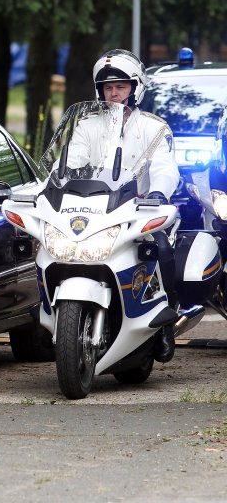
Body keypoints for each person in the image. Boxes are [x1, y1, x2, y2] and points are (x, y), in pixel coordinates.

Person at [89, 49, 180, 362]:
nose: (114, 93)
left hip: (139, 212)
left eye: (121, 87)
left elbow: (165, 168)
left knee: (162, 251)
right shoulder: (87, 127)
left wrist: (157, 193)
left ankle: (165, 324)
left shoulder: (153, 128)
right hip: (94, 212)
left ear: (135, 88)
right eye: (108, 88)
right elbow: (66, 163)